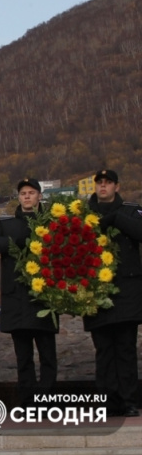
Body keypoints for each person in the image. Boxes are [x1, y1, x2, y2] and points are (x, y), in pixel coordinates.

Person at [0, 178, 57, 407]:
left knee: (48, 357)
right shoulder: (6, 226)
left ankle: (46, 401)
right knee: (23, 358)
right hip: (16, 300)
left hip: (43, 300)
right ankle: (28, 403)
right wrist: (13, 244)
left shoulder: (51, 224)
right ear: (19, 197)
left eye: (31, 192)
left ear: (39, 197)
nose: (27, 196)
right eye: (23, 193)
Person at [83, 169, 142, 417]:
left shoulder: (130, 210)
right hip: (96, 290)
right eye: (100, 183)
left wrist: (116, 219)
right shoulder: (84, 213)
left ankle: (129, 400)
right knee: (104, 349)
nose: (103, 187)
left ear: (117, 187)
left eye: (108, 183)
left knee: (126, 348)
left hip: (127, 290)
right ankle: (106, 401)